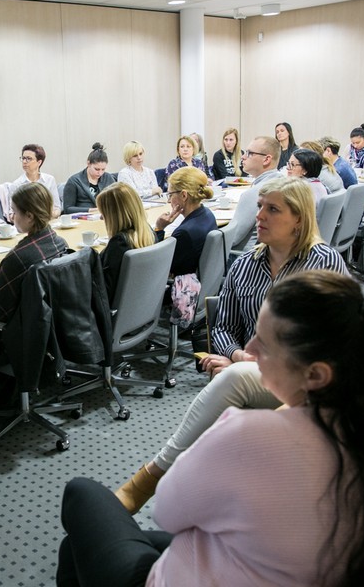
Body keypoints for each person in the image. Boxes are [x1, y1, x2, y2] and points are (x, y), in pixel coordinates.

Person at [58, 270, 364, 586]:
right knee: (87, 547)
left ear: (315, 375)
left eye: (264, 344)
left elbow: (167, 510)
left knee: (82, 493)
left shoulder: (249, 435)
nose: (250, 351)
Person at [113, 176, 348, 515]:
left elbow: (334, 340)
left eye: (272, 209)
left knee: (233, 381)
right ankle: (195, 494)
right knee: (234, 379)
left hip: (310, 380)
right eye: (259, 208)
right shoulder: (245, 266)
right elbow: (222, 326)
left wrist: (246, 366)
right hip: (251, 371)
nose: (260, 217)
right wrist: (238, 356)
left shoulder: (323, 264)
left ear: (299, 218)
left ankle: (153, 478)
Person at [0, 182, 68, 324]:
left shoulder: (18, 258)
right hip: (51, 325)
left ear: (29, 216)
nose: (12, 217)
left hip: (18, 332)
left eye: (14, 212)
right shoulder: (60, 243)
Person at [153, 168, 217, 327]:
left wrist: (159, 229)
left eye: (170, 194)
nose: (169, 201)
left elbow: (157, 268)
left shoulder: (185, 233)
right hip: (202, 287)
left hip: (182, 292)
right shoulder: (207, 214)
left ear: (183, 195)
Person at [94, 182, 156, 302]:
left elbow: (104, 293)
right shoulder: (148, 233)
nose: (102, 218)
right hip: (141, 305)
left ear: (114, 215)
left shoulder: (119, 244)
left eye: (104, 213)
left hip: (113, 313)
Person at [10, 144, 61, 218]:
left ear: (39, 162)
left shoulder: (49, 180)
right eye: (23, 158)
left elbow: (57, 208)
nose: (24, 161)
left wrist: (46, 217)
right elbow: (11, 214)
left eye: (29, 158)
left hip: (48, 221)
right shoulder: (16, 185)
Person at [63, 143, 116, 213]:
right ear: (88, 164)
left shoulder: (108, 178)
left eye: (103, 169)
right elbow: (68, 209)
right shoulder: (74, 181)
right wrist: (91, 210)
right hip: (82, 219)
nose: (100, 173)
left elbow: (116, 201)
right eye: (97, 169)